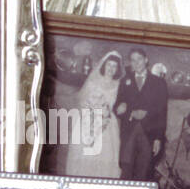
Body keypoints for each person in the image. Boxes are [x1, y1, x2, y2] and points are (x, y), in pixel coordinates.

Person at [114, 48, 169, 180]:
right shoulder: (124, 81)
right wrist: (129, 112)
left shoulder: (159, 83)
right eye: (133, 60)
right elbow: (117, 107)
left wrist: (158, 138)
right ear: (130, 63)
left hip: (149, 133)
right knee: (126, 169)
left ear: (146, 60)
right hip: (129, 132)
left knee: (144, 171)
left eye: (139, 59)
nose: (136, 63)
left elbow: (162, 112)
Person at [66, 50, 123, 178]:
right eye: (109, 65)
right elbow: (82, 101)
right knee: (86, 155)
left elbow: (120, 103)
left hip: (107, 123)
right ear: (104, 65)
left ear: (117, 69)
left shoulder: (119, 85)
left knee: (106, 156)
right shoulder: (92, 82)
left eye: (114, 66)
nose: (111, 68)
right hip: (89, 120)